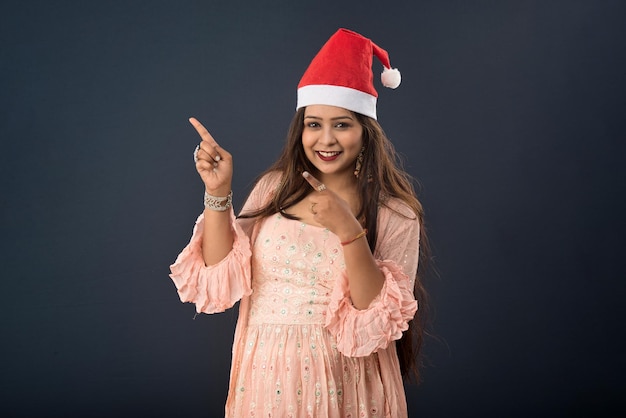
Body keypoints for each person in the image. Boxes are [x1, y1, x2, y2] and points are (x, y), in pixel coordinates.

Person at [170, 28, 429, 418]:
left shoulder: (396, 213)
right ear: (300, 129)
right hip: (265, 372)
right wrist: (219, 192)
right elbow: (217, 273)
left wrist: (349, 232)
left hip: (346, 382)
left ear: (366, 132)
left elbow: (373, 318)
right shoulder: (274, 189)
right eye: (314, 124)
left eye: (342, 124)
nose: (326, 139)